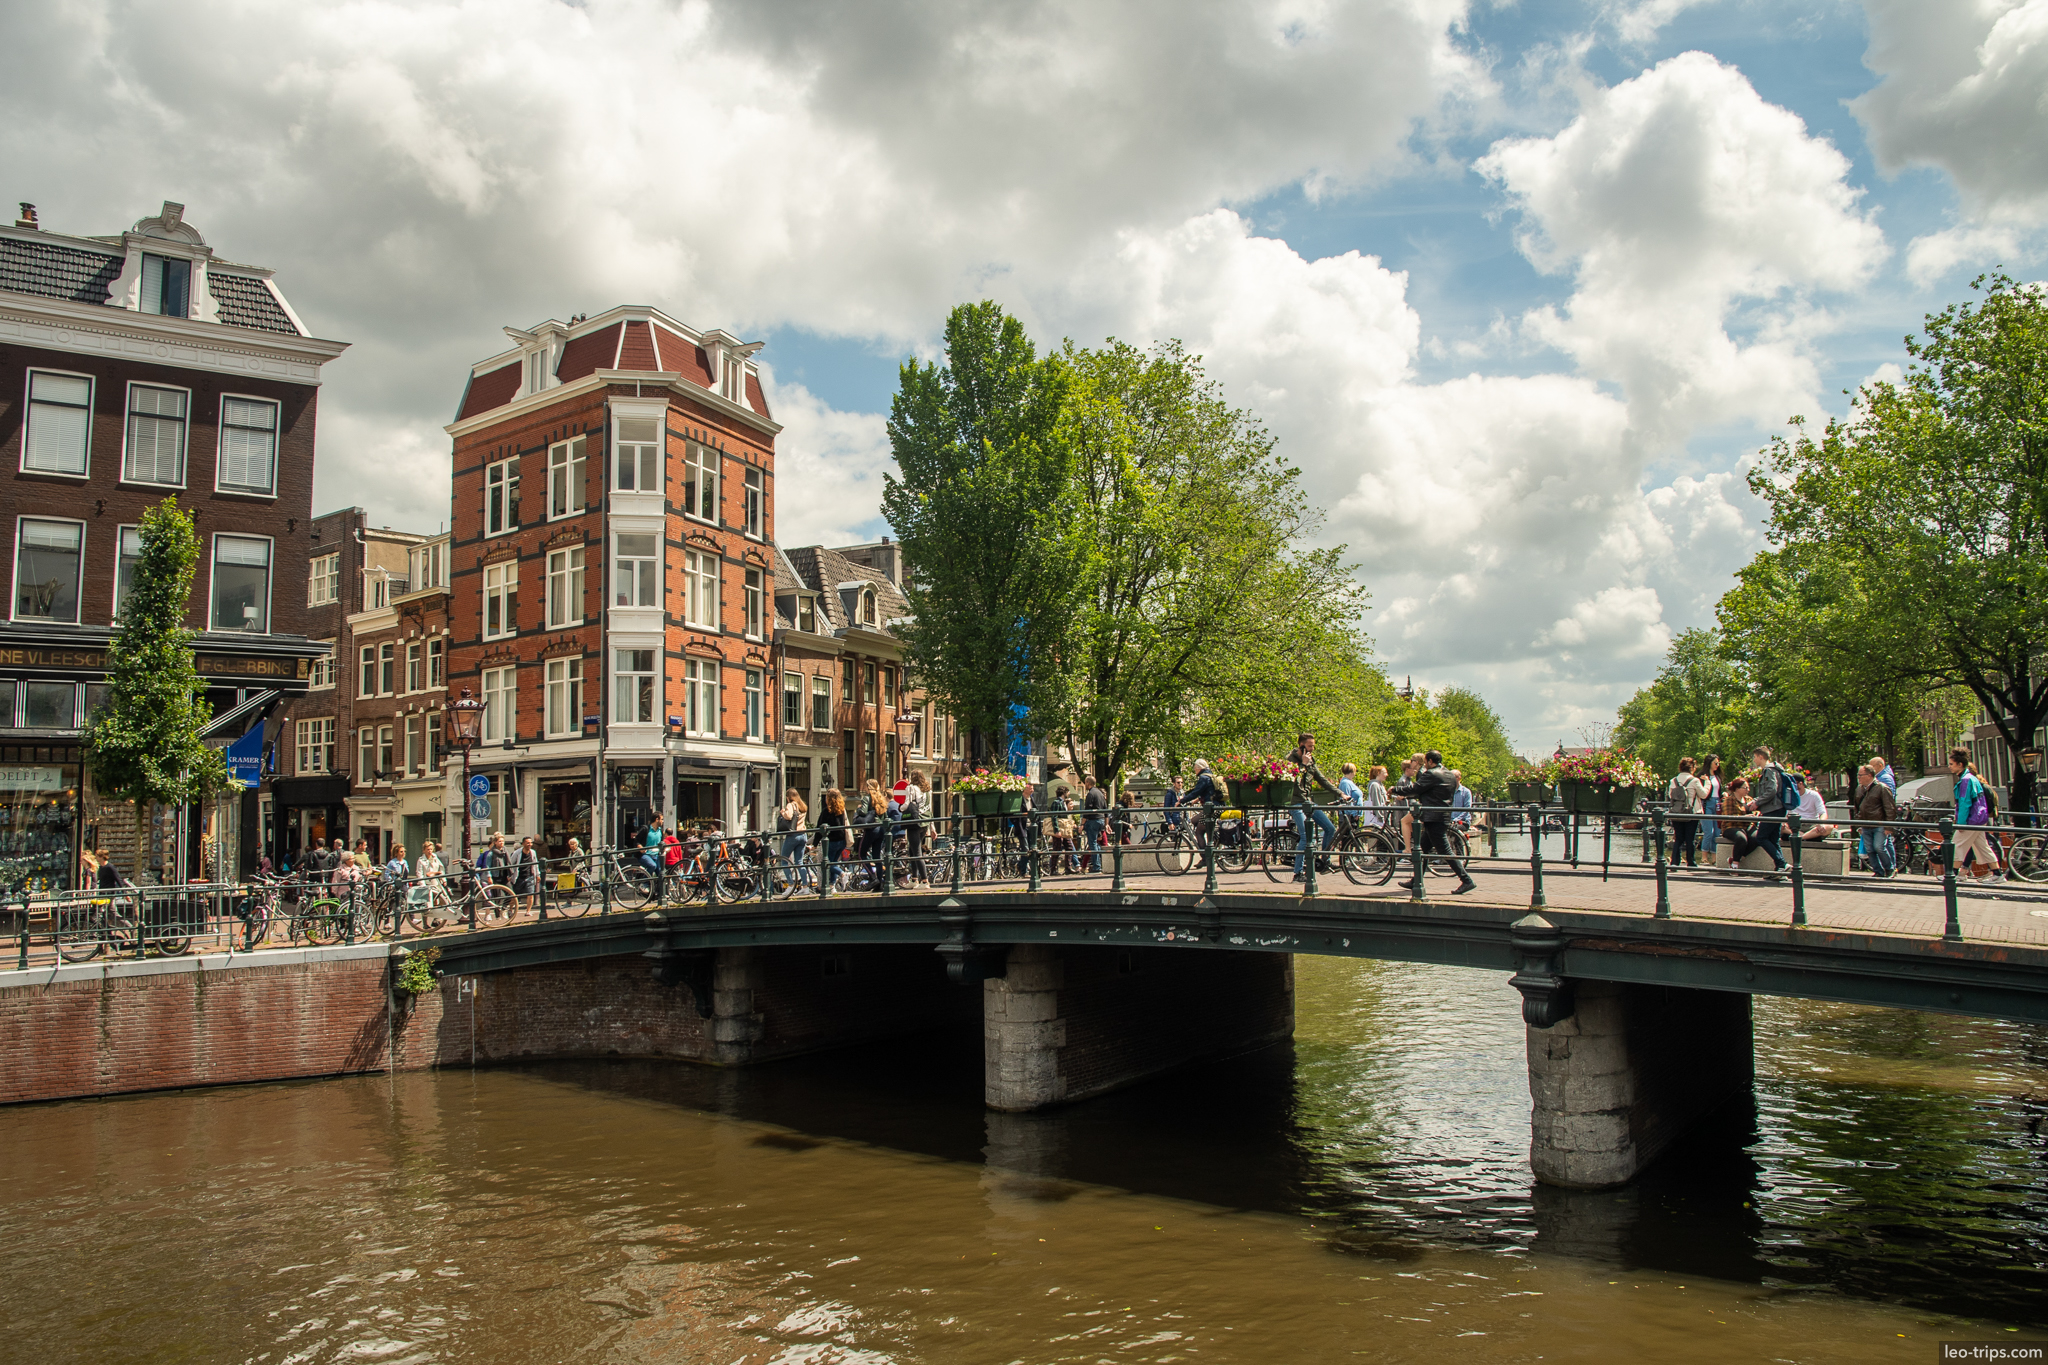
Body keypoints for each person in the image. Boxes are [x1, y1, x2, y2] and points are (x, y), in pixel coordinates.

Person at [1389, 750, 1477, 894]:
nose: (1425, 765)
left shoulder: (1431, 774)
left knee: (1445, 851)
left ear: (1430, 761)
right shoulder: (1449, 775)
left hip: (1433, 817)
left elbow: (1416, 788)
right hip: (1442, 816)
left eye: (1426, 762)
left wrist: (1395, 789)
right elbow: (1427, 792)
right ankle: (1416, 880)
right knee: (1423, 848)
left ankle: (1466, 880)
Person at [1284, 733, 1341, 882]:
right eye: (1310, 746)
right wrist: (1302, 764)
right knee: (1305, 835)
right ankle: (1298, 873)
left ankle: (1324, 861)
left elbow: (1321, 780)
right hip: (1295, 802)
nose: (1312, 749)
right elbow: (1293, 781)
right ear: (1301, 745)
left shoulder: (1311, 760)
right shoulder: (1290, 760)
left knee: (1330, 829)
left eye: (1313, 746)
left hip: (1307, 801)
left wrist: (1341, 793)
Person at [1948, 747, 2003, 881]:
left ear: (1960, 764)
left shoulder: (1966, 780)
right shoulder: (1971, 778)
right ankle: (1997, 874)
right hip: (1979, 819)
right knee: (1982, 847)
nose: (1949, 767)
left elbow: (1965, 803)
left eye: (1951, 764)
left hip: (1971, 820)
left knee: (1956, 845)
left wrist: (1961, 823)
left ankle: (1953, 874)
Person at [1744, 746, 1791, 877]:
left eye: (1754, 757)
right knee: (1773, 839)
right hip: (1777, 808)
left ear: (1761, 757)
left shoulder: (1769, 771)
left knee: (1761, 837)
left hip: (1773, 809)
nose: (1754, 760)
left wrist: (1757, 802)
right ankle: (1780, 870)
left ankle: (1782, 863)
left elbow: (1771, 790)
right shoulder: (1774, 770)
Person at [1851, 765, 1898, 877]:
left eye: (1861, 775)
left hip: (1879, 824)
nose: (1858, 778)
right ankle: (1878, 871)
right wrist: (1859, 824)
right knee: (1870, 849)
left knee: (1879, 847)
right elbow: (1857, 808)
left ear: (1869, 775)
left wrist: (1888, 827)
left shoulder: (1882, 788)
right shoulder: (1859, 789)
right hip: (1865, 824)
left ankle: (1889, 869)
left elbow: (1890, 808)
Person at [1665, 758, 1705, 869]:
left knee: (1678, 838)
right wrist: (1707, 783)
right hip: (1691, 813)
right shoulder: (1695, 781)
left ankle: (1674, 862)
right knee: (1690, 838)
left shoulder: (1673, 781)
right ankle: (1691, 863)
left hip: (1676, 813)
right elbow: (1704, 795)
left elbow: (1670, 795)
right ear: (1692, 768)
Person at [1718, 777, 1763, 868]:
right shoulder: (1729, 800)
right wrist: (1744, 817)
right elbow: (1728, 817)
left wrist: (1756, 814)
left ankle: (1737, 857)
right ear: (1737, 789)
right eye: (1745, 788)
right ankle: (1735, 864)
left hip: (1748, 826)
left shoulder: (1749, 799)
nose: (1748, 790)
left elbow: (1757, 810)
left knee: (1758, 837)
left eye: (1748, 788)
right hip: (1731, 827)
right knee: (1741, 839)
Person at [778, 789, 811, 889]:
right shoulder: (802, 806)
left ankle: (790, 885)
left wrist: (783, 812)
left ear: (788, 797)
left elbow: (788, 816)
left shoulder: (791, 805)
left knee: (784, 860)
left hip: (793, 835)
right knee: (799, 862)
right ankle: (805, 887)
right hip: (803, 835)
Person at [817, 789, 850, 886]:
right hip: (842, 841)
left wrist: (814, 843)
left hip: (831, 842)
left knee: (827, 863)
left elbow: (820, 827)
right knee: (834, 863)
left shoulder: (826, 811)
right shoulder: (841, 810)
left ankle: (843, 874)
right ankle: (832, 885)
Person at [900, 771, 928, 886]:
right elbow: (928, 808)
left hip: (914, 822)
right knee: (912, 850)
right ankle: (914, 879)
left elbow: (907, 804)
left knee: (916, 852)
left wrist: (901, 808)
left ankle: (925, 881)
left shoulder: (911, 788)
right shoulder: (927, 790)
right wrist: (932, 828)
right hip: (924, 822)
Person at [1793, 773, 1835, 841]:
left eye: (1793, 783)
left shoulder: (1814, 795)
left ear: (1800, 784)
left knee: (1829, 827)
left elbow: (1823, 813)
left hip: (1811, 825)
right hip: (1795, 825)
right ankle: (1802, 836)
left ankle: (1801, 837)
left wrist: (1820, 823)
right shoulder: (1788, 796)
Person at [1080, 776, 1109, 874]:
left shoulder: (1090, 794)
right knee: (1097, 843)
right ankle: (1099, 863)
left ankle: (1097, 866)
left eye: (1085, 783)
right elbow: (1106, 809)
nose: (1085, 784)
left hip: (1093, 820)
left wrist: (1082, 824)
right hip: (1101, 820)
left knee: (1092, 843)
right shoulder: (1100, 794)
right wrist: (1106, 824)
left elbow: (1087, 810)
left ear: (1088, 783)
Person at [1698, 754, 1724, 860]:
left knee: (1717, 832)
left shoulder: (1717, 776)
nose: (1717, 765)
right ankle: (1704, 856)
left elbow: (1719, 791)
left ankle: (1714, 857)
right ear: (1709, 763)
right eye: (1715, 763)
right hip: (1707, 804)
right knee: (1709, 831)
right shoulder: (1702, 776)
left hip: (1717, 803)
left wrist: (1724, 795)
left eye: (1718, 763)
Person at [512, 835, 540, 913]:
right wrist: (510, 874)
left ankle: (528, 911)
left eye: (531, 843)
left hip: (530, 876)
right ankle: (510, 909)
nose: (529, 844)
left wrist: (538, 874)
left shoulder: (533, 852)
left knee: (530, 894)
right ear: (523, 844)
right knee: (515, 895)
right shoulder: (517, 853)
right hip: (519, 876)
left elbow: (535, 864)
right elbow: (511, 863)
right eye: (527, 843)